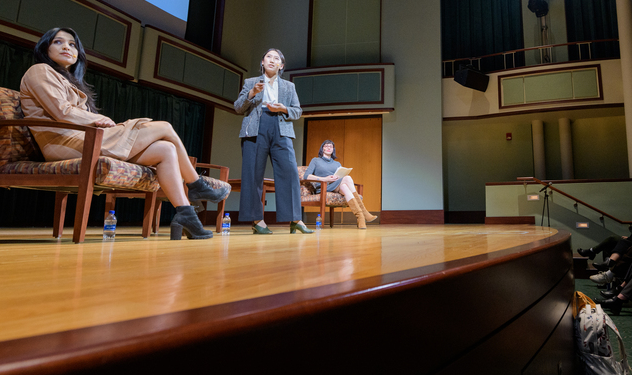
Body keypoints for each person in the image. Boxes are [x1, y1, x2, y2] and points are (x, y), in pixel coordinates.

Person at [20, 28, 228, 240]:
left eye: (72, 44)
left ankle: (186, 214)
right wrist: (95, 119)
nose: (67, 47)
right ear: (45, 48)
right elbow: (60, 111)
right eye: (58, 42)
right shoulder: (40, 70)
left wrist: (97, 123)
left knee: (166, 149)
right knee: (164, 127)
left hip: (83, 140)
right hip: (61, 143)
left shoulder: (70, 81)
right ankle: (196, 185)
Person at [235, 48, 313, 235]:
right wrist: (251, 93)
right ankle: (257, 220)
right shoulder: (250, 82)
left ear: (281, 65)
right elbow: (238, 107)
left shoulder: (288, 87)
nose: (272, 60)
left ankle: (295, 219)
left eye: (276, 58)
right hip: (255, 128)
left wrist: (284, 108)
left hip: (281, 128)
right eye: (268, 57)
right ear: (262, 62)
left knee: (289, 172)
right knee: (253, 174)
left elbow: (298, 111)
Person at [302, 139, 376, 229]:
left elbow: (341, 175)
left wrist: (338, 177)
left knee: (345, 185)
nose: (329, 147)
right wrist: (325, 179)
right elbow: (306, 176)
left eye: (331, 146)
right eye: (326, 146)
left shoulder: (337, 163)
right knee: (347, 179)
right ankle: (364, 213)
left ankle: (360, 217)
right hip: (324, 186)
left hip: (336, 185)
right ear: (322, 149)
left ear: (333, 149)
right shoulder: (316, 160)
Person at [578, 201, 632, 266]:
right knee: (608, 246)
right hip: (631, 242)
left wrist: (629, 239)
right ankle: (605, 271)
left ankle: (592, 251)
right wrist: (628, 238)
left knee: (612, 238)